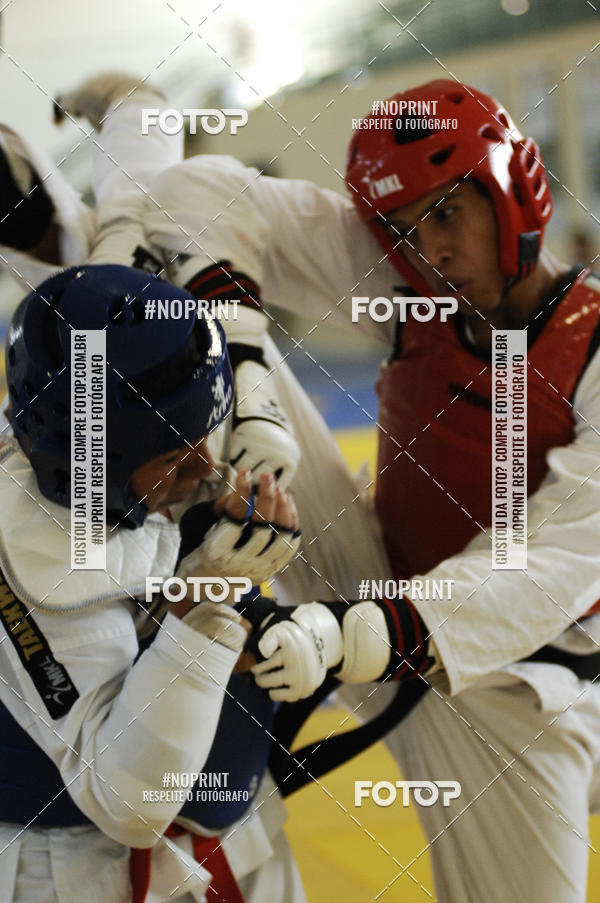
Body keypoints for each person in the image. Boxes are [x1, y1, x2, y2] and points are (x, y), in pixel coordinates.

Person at [133, 80, 600, 902]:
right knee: (175, 310)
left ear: (515, 188)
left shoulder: (593, 346)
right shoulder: (415, 288)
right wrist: (250, 380)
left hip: (517, 684)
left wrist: (354, 633)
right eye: (403, 231)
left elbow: (552, 567)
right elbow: (186, 195)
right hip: (369, 591)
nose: (432, 252)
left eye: (449, 213)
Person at [0, 256, 307, 903]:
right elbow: (130, 800)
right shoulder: (39, 555)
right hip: (74, 869)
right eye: (175, 453)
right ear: (93, 465)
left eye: (206, 431)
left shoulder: (104, 423)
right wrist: (210, 603)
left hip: (233, 825)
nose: (206, 465)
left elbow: (154, 193)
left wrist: (249, 379)